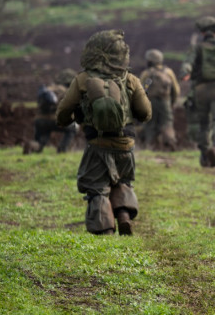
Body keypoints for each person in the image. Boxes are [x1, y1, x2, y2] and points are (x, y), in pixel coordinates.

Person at [55, 30, 151, 235]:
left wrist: (67, 121)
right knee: (123, 180)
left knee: (96, 186)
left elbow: (63, 112)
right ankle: (124, 214)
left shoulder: (82, 79)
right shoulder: (131, 79)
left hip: (97, 143)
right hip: (126, 143)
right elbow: (145, 113)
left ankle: (105, 230)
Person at [180, 16, 215, 167]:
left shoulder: (197, 48)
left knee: (204, 123)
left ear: (202, 33)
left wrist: (185, 73)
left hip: (200, 90)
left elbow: (188, 63)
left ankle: (204, 156)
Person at [23, 68, 78, 154]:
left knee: (41, 141)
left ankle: (33, 145)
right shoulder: (67, 91)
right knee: (73, 128)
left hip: (40, 120)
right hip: (56, 120)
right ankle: (62, 149)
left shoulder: (47, 89)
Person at [139, 49, 180, 151]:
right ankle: (170, 142)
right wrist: (172, 103)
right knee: (167, 123)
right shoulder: (168, 72)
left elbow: (140, 92)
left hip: (150, 103)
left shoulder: (146, 73)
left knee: (150, 125)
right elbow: (176, 90)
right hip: (165, 101)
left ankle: (151, 146)